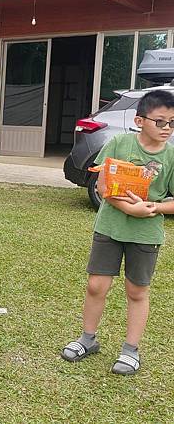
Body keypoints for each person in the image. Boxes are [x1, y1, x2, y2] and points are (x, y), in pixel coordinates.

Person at [61, 90, 174, 375]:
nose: (167, 129)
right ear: (139, 120)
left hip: (146, 234)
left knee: (137, 291)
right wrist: (129, 209)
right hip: (110, 228)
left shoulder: (171, 155)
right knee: (96, 286)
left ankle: (130, 350)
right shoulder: (118, 143)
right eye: (160, 121)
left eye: (172, 122)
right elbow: (102, 187)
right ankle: (87, 339)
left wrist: (155, 208)